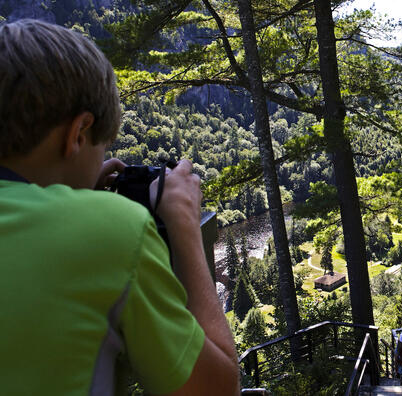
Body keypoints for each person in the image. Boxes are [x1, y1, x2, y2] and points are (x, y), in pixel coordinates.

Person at [0, 20, 239, 395]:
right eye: (103, 149)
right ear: (78, 133)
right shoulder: (110, 232)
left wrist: (66, 191)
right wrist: (184, 225)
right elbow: (218, 390)